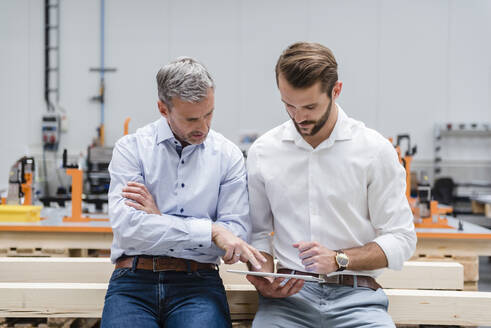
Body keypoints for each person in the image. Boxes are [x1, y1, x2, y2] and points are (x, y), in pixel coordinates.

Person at [246, 42, 417, 327]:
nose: (298, 117)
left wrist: (339, 259)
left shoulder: (374, 150)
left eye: (310, 106)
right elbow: (257, 232)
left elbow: (401, 238)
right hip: (287, 301)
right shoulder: (264, 151)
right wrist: (263, 275)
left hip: (358, 299)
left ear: (336, 91)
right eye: (289, 105)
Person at [101, 57, 266, 328]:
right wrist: (211, 231)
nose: (203, 127)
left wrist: (157, 218)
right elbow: (128, 227)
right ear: (163, 109)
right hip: (133, 280)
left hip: (198, 284)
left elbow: (234, 235)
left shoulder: (228, 156)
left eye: (209, 113)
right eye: (191, 118)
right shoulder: (131, 149)